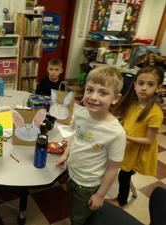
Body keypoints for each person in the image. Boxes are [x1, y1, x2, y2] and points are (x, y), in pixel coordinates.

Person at [56, 66, 126, 225]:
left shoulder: (116, 133)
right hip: (72, 172)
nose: (93, 97)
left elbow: (113, 168)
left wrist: (100, 195)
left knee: (79, 218)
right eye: (90, 90)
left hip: (88, 184)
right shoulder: (80, 113)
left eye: (103, 93)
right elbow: (75, 136)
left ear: (115, 98)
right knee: (72, 205)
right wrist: (66, 154)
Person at [111, 66, 164, 207]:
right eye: (141, 83)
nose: (144, 88)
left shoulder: (155, 113)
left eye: (150, 84)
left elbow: (148, 140)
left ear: (158, 88)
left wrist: (125, 136)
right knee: (119, 170)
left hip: (138, 152)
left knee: (124, 175)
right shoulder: (132, 103)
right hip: (127, 145)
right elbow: (127, 121)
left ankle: (121, 200)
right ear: (134, 85)